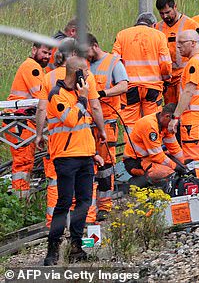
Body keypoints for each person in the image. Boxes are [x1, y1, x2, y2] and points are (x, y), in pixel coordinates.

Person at [35, 38, 106, 228]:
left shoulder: (48, 77)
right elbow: (95, 106)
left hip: (59, 143)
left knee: (55, 183)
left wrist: (39, 134)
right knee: (85, 187)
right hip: (80, 141)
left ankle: (54, 224)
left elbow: (42, 109)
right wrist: (102, 130)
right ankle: (87, 221)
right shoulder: (85, 76)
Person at [42, 57, 105, 266]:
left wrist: (93, 152)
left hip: (85, 157)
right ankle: (52, 250)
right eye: (85, 72)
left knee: (84, 201)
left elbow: (83, 128)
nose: (88, 76)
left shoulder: (79, 95)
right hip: (66, 158)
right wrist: (84, 98)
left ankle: (76, 247)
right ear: (76, 73)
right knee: (64, 202)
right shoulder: (57, 95)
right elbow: (70, 119)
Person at [86, 33, 129, 221]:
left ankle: (105, 206)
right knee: (88, 165)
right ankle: (90, 207)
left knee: (105, 166)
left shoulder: (113, 62)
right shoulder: (84, 64)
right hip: (87, 123)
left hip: (107, 121)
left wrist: (103, 93)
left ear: (95, 45)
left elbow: (124, 86)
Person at [168, 30, 199, 190]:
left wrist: (175, 117)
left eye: (182, 43)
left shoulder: (194, 63)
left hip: (193, 120)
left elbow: (188, 91)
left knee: (195, 160)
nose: (178, 47)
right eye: (177, 43)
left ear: (193, 43)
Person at [4, 43, 52, 198]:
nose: (47, 56)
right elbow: (42, 98)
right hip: (19, 121)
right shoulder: (32, 68)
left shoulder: (33, 67)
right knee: (23, 163)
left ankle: (21, 200)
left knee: (24, 162)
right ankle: (20, 201)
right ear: (34, 50)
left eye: (49, 54)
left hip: (20, 120)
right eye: (44, 52)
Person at [112, 12, 171, 135]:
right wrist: (166, 79)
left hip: (129, 88)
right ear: (154, 25)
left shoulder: (122, 35)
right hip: (152, 88)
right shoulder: (159, 36)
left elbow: (114, 61)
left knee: (130, 124)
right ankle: (151, 150)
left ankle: (131, 151)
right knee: (152, 121)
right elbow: (165, 63)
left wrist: (118, 82)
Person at [123, 104, 187, 189]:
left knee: (173, 165)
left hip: (148, 158)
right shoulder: (150, 125)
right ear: (167, 116)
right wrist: (176, 167)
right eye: (175, 121)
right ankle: (135, 184)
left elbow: (175, 149)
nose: (176, 124)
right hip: (135, 162)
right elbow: (157, 156)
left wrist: (184, 166)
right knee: (168, 172)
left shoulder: (166, 125)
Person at [154, 0, 199, 105]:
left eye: (168, 12)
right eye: (161, 13)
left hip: (184, 76)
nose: (165, 16)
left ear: (175, 6)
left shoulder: (190, 24)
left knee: (184, 108)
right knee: (170, 111)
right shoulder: (157, 28)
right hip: (168, 80)